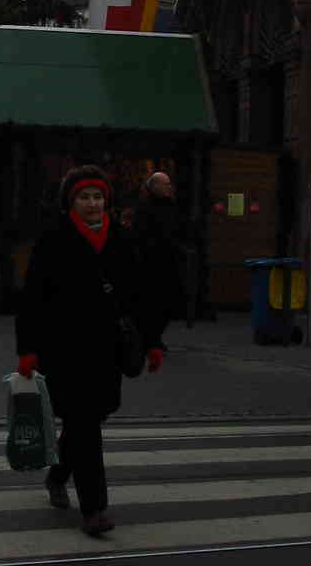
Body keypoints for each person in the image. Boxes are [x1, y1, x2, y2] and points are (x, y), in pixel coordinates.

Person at [15, 165, 163, 538]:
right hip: (64, 348)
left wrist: (153, 341)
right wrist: (27, 349)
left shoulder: (122, 239)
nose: (92, 203)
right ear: (71, 202)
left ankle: (58, 475)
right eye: (84, 197)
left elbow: (140, 295)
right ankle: (94, 509)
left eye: (97, 197)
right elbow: (33, 298)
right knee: (83, 423)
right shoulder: (54, 239)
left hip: (107, 349)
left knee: (86, 421)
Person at [133, 172, 186, 349]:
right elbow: (141, 236)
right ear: (154, 186)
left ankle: (154, 337)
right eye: (166, 184)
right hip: (151, 264)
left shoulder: (171, 206)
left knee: (167, 304)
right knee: (152, 304)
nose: (169, 187)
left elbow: (177, 229)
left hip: (169, 263)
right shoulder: (144, 207)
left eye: (169, 184)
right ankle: (151, 339)